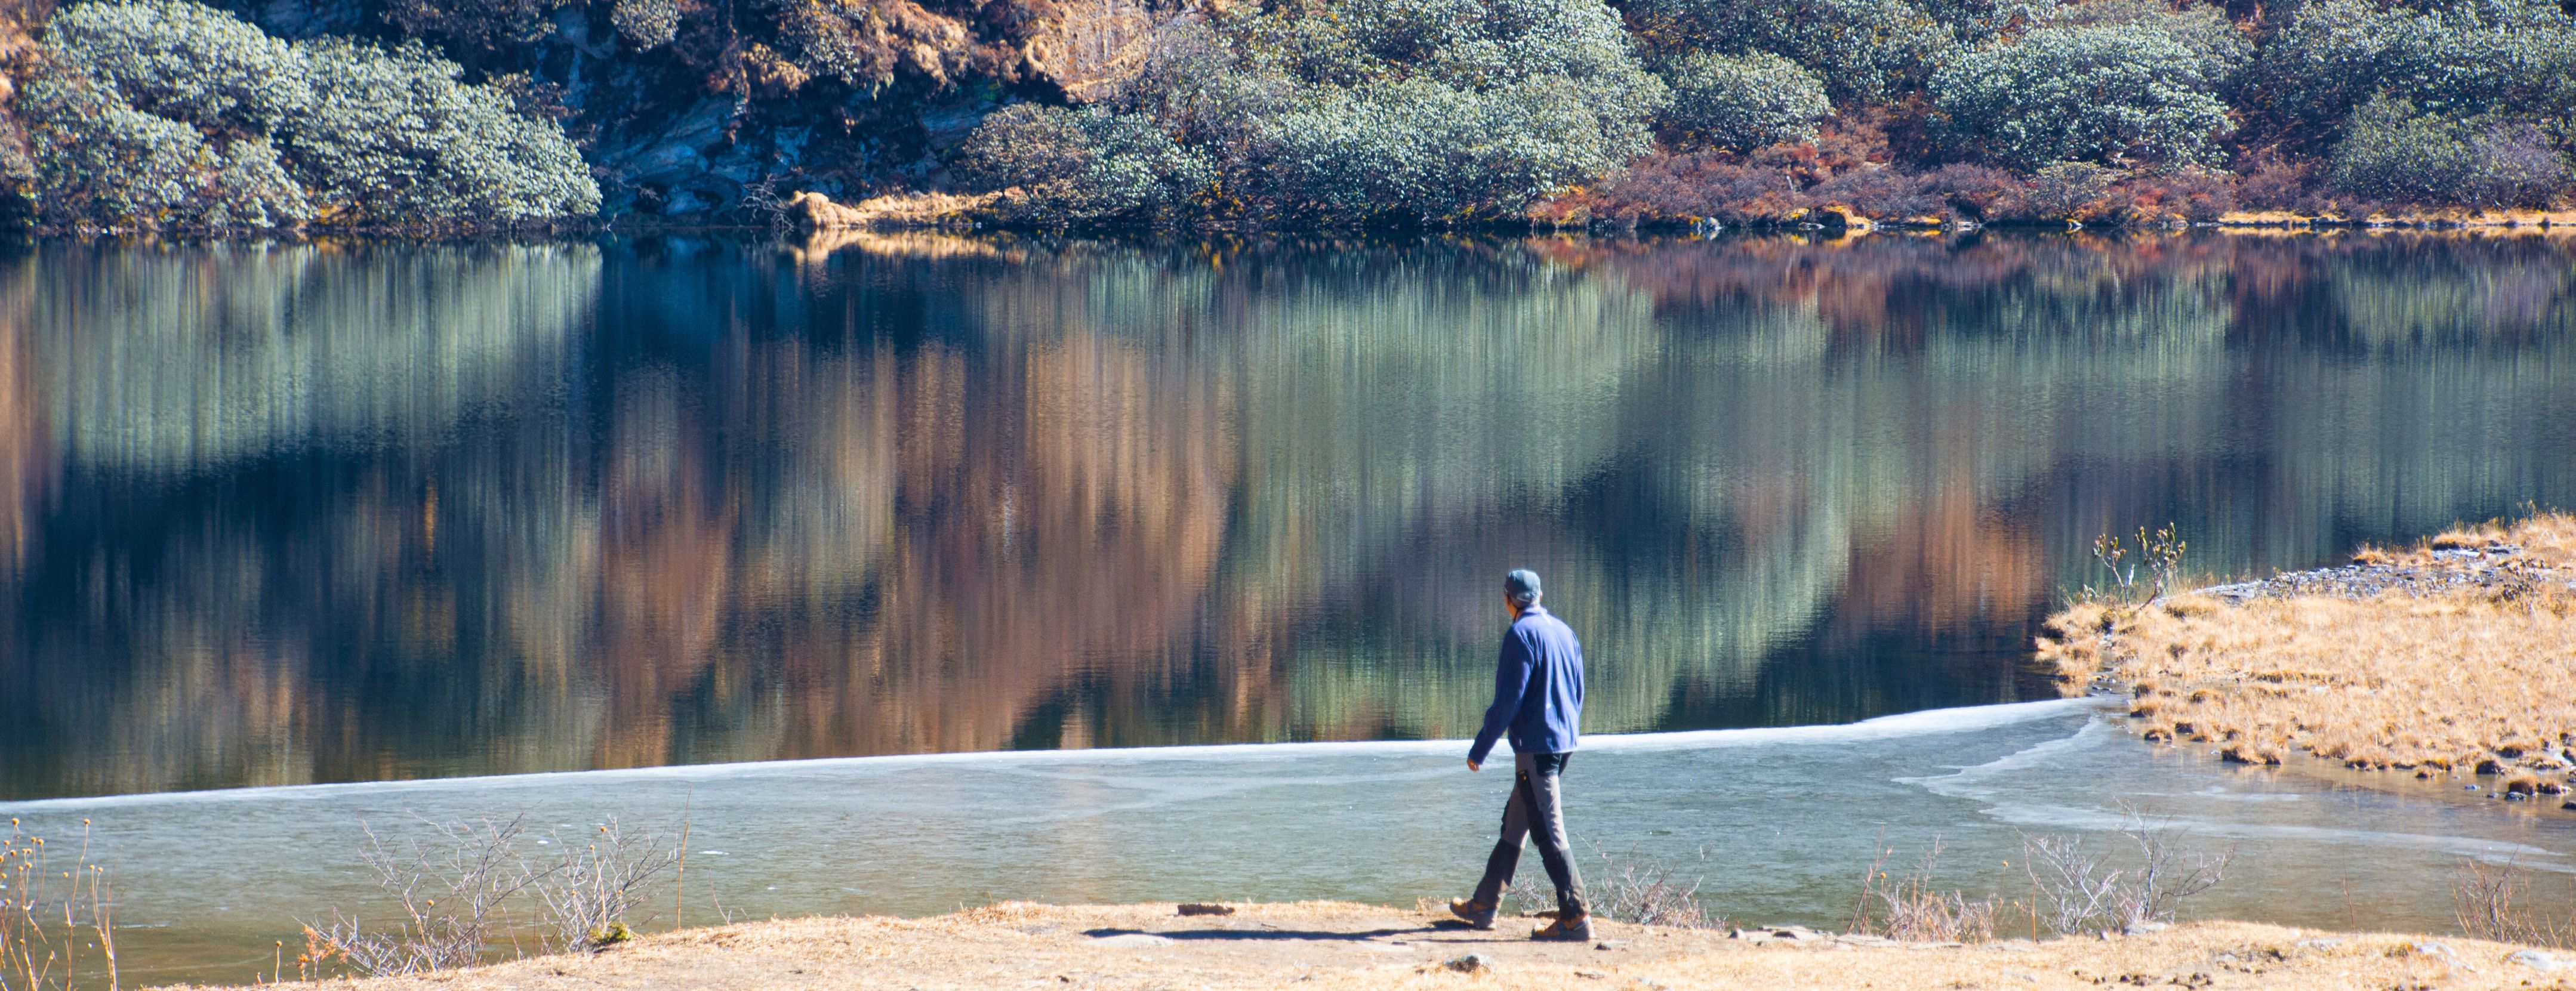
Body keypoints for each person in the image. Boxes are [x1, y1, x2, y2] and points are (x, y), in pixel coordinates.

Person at [1448, 568, 1591, 940]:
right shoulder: (1565, 632)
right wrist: (1568, 731)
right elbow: (1579, 689)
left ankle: (1576, 917)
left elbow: (1507, 704)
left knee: (1548, 831)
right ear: (1539, 596)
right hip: (1563, 744)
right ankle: (1484, 905)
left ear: (1509, 600)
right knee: (1517, 823)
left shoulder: (1519, 636)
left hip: (1536, 748)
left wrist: (1481, 747)